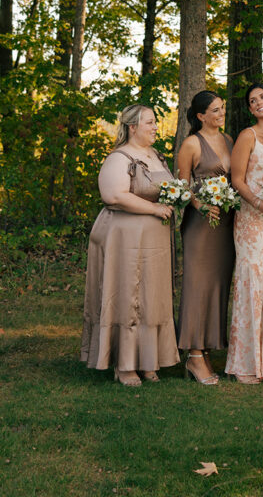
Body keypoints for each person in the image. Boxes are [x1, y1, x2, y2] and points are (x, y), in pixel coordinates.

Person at [81, 105, 179, 385]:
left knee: (151, 296)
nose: (156, 126)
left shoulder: (155, 156)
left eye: (156, 122)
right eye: (149, 122)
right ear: (132, 127)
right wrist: (154, 209)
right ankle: (124, 365)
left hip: (154, 241)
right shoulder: (119, 158)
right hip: (124, 238)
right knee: (126, 295)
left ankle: (148, 361)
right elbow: (114, 195)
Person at [225, 83, 263, 384]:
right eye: (252, 100)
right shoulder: (247, 136)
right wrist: (259, 203)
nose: (259, 102)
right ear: (250, 109)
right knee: (253, 282)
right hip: (252, 219)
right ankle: (247, 363)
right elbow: (237, 180)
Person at [176, 91, 235, 385]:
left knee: (217, 286)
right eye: (215, 110)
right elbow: (181, 187)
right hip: (201, 226)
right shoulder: (191, 144)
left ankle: (207, 349)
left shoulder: (228, 140)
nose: (221, 113)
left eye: (222, 108)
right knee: (198, 286)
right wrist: (201, 205)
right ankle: (194, 355)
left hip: (226, 225)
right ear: (200, 116)